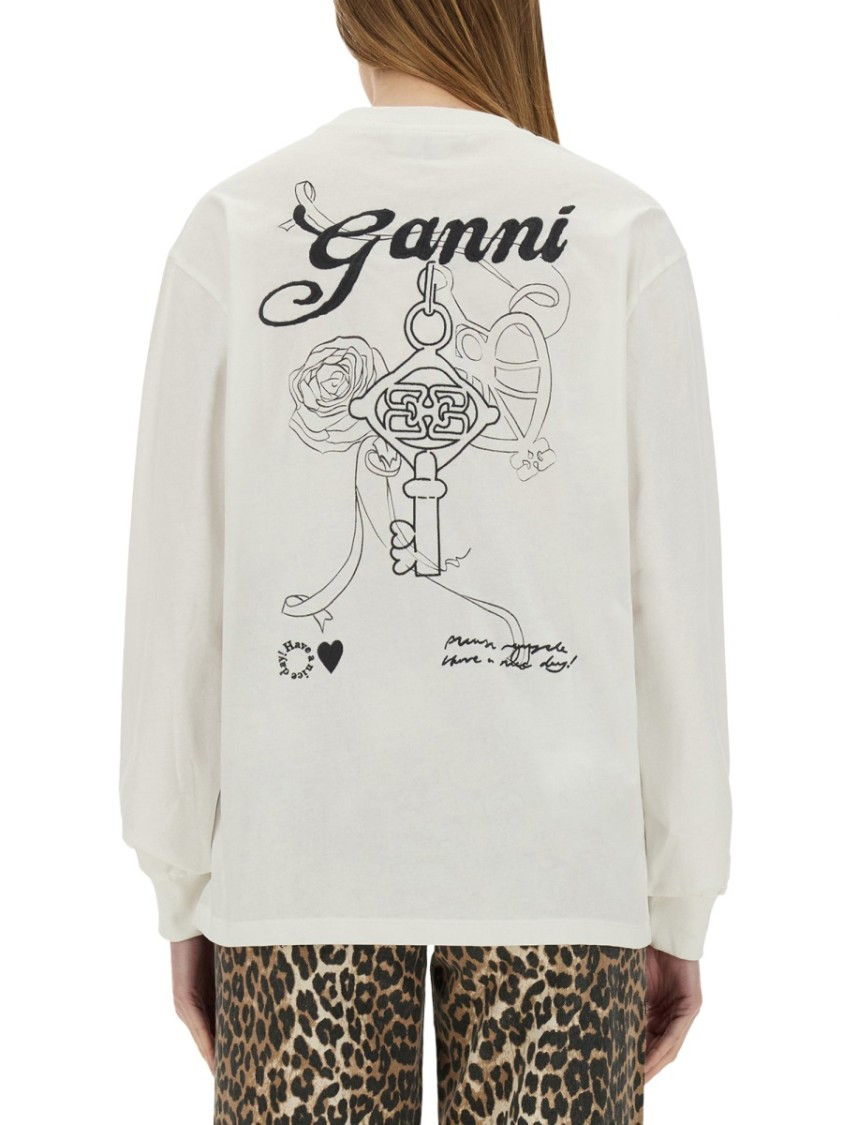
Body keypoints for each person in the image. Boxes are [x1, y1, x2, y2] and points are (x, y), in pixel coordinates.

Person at [119, 1, 733, 1121]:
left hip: (297, 863)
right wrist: (679, 893)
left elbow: (178, 588)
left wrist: (185, 881)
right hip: (560, 871)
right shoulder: (617, 229)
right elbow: (672, 593)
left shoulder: (240, 223)